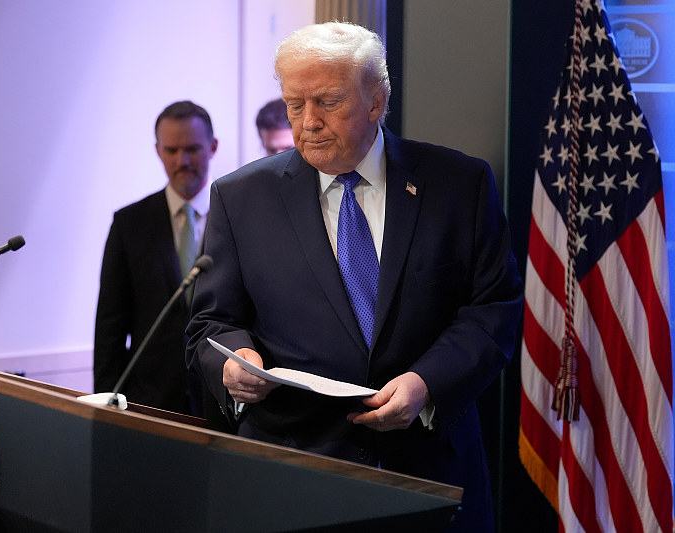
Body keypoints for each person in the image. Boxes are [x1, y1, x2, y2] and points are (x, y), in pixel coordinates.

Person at [186, 22, 523, 533]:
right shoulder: (241, 197)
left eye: (327, 101)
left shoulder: (460, 184)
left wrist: (425, 384)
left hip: (428, 475)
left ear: (377, 101)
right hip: (291, 474)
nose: (308, 123)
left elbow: (492, 311)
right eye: (294, 104)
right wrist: (234, 364)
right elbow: (211, 322)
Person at [94, 100, 218, 419]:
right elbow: (110, 324)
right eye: (172, 150)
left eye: (192, 148)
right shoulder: (129, 224)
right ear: (158, 151)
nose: (183, 161)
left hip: (222, 403)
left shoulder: (236, 216)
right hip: (149, 403)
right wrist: (107, 405)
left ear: (213, 147)